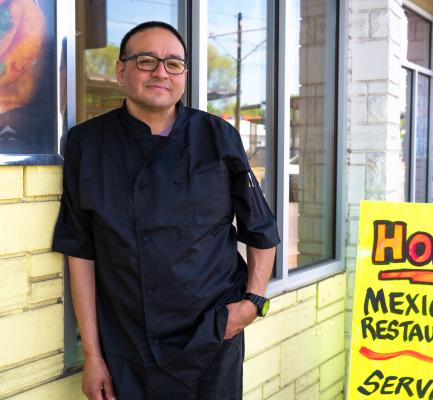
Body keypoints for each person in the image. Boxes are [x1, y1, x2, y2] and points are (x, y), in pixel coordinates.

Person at [52, 21, 280, 400]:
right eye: (147, 61)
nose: (161, 72)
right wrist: (93, 356)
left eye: (174, 64)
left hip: (212, 338)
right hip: (129, 345)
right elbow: (81, 250)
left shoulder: (217, 136)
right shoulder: (87, 143)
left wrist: (253, 304)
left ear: (185, 76)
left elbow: (262, 230)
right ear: (121, 71)